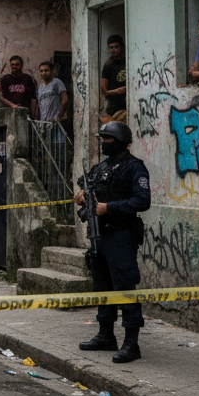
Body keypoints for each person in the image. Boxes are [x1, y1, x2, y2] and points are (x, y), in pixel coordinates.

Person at [76, 121, 151, 362]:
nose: (103, 143)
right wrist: (82, 197)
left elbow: (142, 201)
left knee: (125, 288)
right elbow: (88, 189)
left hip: (121, 236)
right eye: (103, 138)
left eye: (108, 139)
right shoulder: (101, 167)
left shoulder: (134, 168)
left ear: (119, 141)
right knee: (102, 288)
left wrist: (109, 207)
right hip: (100, 237)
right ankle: (106, 334)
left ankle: (132, 343)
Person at [99, 35, 127, 123]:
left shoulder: (128, 61)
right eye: (111, 47)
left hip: (127, 103)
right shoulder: (108, 65)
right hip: (113, 106)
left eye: (116, 47)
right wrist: (118, 91)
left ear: (122, 46)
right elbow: (104, 90)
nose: (113, 50)